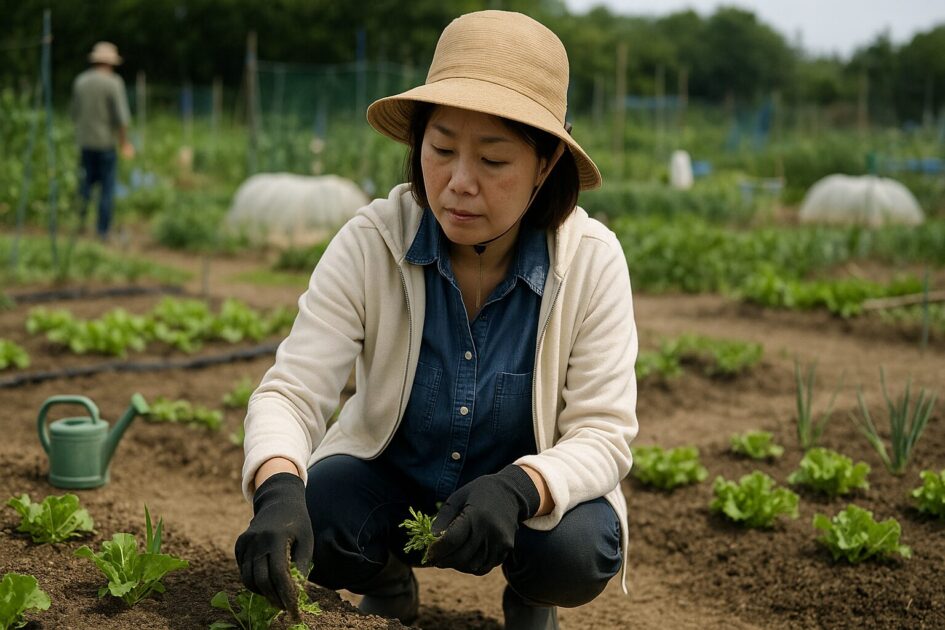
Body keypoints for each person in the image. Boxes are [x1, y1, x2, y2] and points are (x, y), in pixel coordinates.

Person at [234, 10, 638, 630]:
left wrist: (518, 489)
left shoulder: (590, 261)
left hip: (524, 513)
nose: (459, 183)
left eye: (495, 161)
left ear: (548, 163)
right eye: (442, 149)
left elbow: (603, 434)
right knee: (324, 505)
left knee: (576, 548)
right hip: (395, 490)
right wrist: (278, 487)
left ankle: (531, 597)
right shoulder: (372, 241)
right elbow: (292, 391)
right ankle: (387, 581)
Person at [70, 41, 135, 240]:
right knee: (106, 189)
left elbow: (73, 113)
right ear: (111, 63)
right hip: (106, 144)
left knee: (85, 185)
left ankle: (79, 224)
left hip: (84, 142)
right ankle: (102, 231)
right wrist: (124, 143)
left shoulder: (80, 81)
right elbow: (122, 118)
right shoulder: (113, 83)